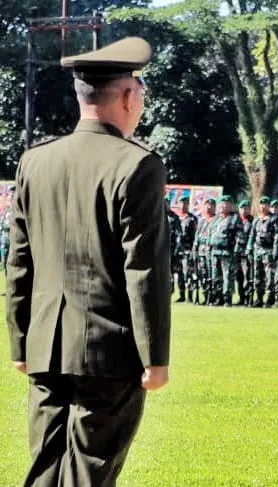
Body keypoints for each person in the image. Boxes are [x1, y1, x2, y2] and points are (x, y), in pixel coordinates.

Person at [6, 37, 171, 486]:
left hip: (45, 343)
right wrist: (155, 357)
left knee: (45, 467)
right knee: (90, 471)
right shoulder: (136, 165)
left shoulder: (34, 161)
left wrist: (20, 341)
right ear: (128, 96)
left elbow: (19, 260)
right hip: (107, 350)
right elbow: (144, 270)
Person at [209, 195, 240, 306]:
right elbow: (210, 233)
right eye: (222, 203)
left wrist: (236, 251)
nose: (224, 205)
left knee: (228, 276)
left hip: (227, 251)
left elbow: (239, 236)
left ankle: (227, 298)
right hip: (215, 251)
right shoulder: (215, 218)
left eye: (226, 203)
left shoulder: (234, 218)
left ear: (231, 206)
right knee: (216, 276)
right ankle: (218, 297)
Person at [178, 195, 199, 303]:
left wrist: (193, 250)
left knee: (188, 273)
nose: (183, 205)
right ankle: (181, 295)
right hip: (177, 251)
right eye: (181, 203)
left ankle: (189, 296)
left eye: (185, 203)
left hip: (187, 250)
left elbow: (195, 236)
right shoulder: (176, 218)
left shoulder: (192, 219)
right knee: (179, 274)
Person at [235, 199, 254, 306]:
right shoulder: (235, 220)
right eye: (242, 208)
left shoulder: (253, 221)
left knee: (248, 276)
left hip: (247, 254)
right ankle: (241, 297)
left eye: (246, 208)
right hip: (237, 253)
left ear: (249, 209)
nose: (244, 210)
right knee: (239, 277)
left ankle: (248, 298)